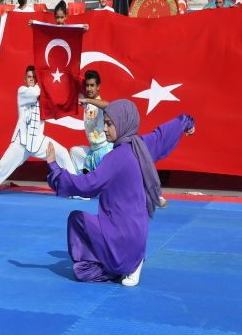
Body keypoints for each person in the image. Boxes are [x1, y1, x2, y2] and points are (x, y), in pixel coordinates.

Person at [45, 99, 195, 286]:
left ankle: (124, 265)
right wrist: (186, 122)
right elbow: (165, 133)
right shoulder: (143, 145)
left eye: (109, 124)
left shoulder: (115, 158)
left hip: (120, 241)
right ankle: (133, 262)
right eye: (104, 123)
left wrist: (55, 169)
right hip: (138, 241)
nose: (104, 129)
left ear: (123, 122)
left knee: (76, 220)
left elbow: (86, 186)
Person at [0, 66, 76, 196]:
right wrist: (45, 84)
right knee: (3, 166)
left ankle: (76, 187)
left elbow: (57, 100)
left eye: (33, 77)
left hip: (38, 141)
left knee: (62, 153)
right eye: (29, 77)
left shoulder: (43, 93)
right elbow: (35, 93)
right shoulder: (22, 91)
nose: (31, 79)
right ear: (25, 79)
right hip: (22, 141)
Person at [70, 70, 113, 174]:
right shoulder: (87, 105)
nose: (89, 89)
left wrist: (87, 100)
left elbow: (107, 105)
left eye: (92, 85)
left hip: (105, 151)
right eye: (87, 85)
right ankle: (80, 184)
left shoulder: (100, 105)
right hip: (93, 151)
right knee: (74, 151)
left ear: (98, 86)